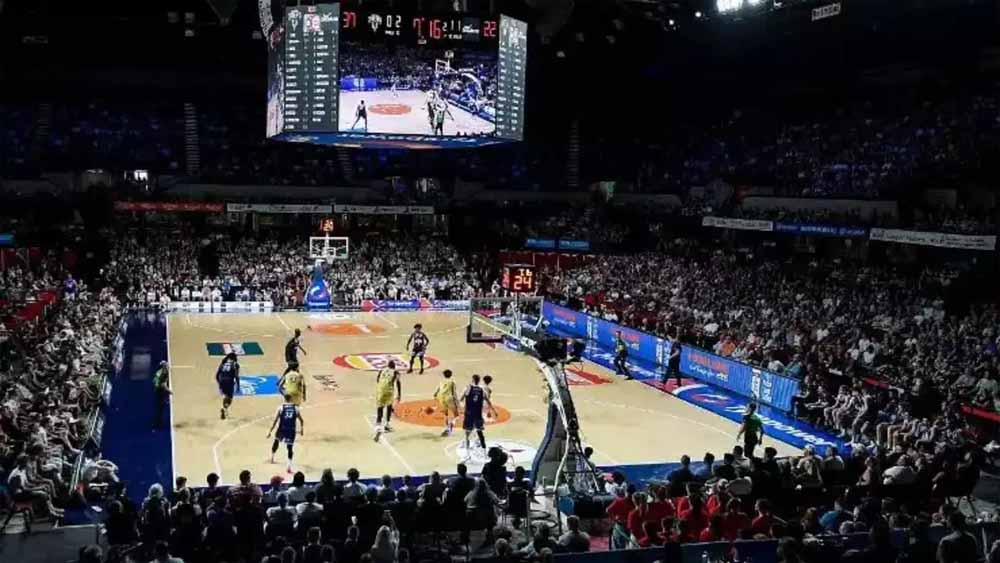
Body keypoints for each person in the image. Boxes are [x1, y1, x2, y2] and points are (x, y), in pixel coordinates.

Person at [267, 395, 305, 472]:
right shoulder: (296, 408)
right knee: (290, 448)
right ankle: (289, 466)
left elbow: (275, 420)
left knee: (276, 442)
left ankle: (272, 458)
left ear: (284, 399)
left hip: (282, 429)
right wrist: (301, 430)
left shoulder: (281, 407)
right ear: (291, 399)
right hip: (291, 430)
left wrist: (270, 431)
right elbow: (301, 420)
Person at [460, 374, 493, 454]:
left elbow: (461, 398)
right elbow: (488, 401)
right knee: (479, 430)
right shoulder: (483, 389)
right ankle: (481, 446)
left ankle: (467, 449)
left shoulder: (469, 388)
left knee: (468, 433)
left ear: (473, 380)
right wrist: (492, 410)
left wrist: (462, 407)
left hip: (470, 413)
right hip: (478, 413)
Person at [373, 361, 401, 442]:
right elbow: (398, 383)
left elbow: (377, 380)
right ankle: (387, 425)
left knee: (380, 408)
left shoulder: (382, 370)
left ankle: (378, 426)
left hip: (380, 390)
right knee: (389, 406)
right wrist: (399, 394)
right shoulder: (395, 372)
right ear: (394, 367)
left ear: (388, 366)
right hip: (389, 390)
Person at [433, 369, 459, 436]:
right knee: (456, 415)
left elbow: (437, 390)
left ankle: (447, 428)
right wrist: (457, 401)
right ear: (451, 375)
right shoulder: (452, 382)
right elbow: (454, 392)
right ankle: (452, 423)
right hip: (449, 398)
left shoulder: (441, 381)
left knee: (446, 414)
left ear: (444, 375)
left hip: (441, 398)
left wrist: (435, 395)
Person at [216, 352, 240, 420]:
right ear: (234, 358)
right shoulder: (235, 364)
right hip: (229, 381)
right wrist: (238, 386)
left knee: (226, 396)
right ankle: (224, 408)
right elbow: (236, 376)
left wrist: (219, 383)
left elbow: (217, 375)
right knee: (230, 398)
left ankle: (224, 409)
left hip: (222, 381)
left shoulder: (223, 363)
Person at [152, 361, 172, 429]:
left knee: (159, 405)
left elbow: (154, 380)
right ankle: (158, 423)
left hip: (157, 390)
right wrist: (170, 391)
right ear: (164, 367)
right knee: (160, 407)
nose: (168, 366)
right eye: (166, 365)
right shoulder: (164, 373)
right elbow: (163, 385)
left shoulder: (159, 371)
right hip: (159, 390)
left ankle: (158, 421)